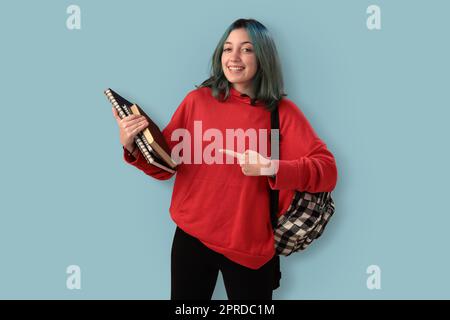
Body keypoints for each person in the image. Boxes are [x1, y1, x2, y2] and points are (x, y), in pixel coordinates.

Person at [112, 18, 338, 300]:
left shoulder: (282, 113)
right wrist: (132, 145)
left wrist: (271, 167)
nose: (233, 57)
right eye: (227, 49)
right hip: (191, 237)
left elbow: (328, 171)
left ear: (263, 57)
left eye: (246, 49)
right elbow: (166, 166)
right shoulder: (197, 101)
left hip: (249, 248)